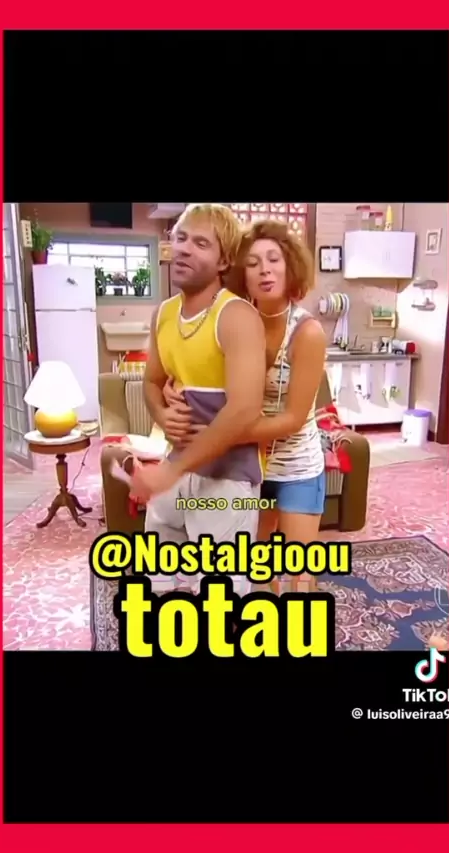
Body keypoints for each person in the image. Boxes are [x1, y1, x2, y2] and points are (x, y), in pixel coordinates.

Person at [163, 219, 326, 595]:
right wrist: (173, 391)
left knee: (300, 575)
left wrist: (219, 434)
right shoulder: (230, 320)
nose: (265, 270)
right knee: (256, 569)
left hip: (296, 466)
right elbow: (193, 371)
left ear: (290, 267)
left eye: (274, 259)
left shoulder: (307, 332)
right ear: (241, 275)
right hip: (247, 465)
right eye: (253, 263)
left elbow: (293, 419)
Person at [131, 203, 267, 596]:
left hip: (228, 479)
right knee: (158, 577)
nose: (185, 249)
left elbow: (244, 411)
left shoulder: (237, 316)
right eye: (181, 238)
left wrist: (169, 472)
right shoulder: (163, 313)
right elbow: (151, 382)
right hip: (177, 468)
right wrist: (162, 414)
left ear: (224, 260)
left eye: (201, 243)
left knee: (220, 594)